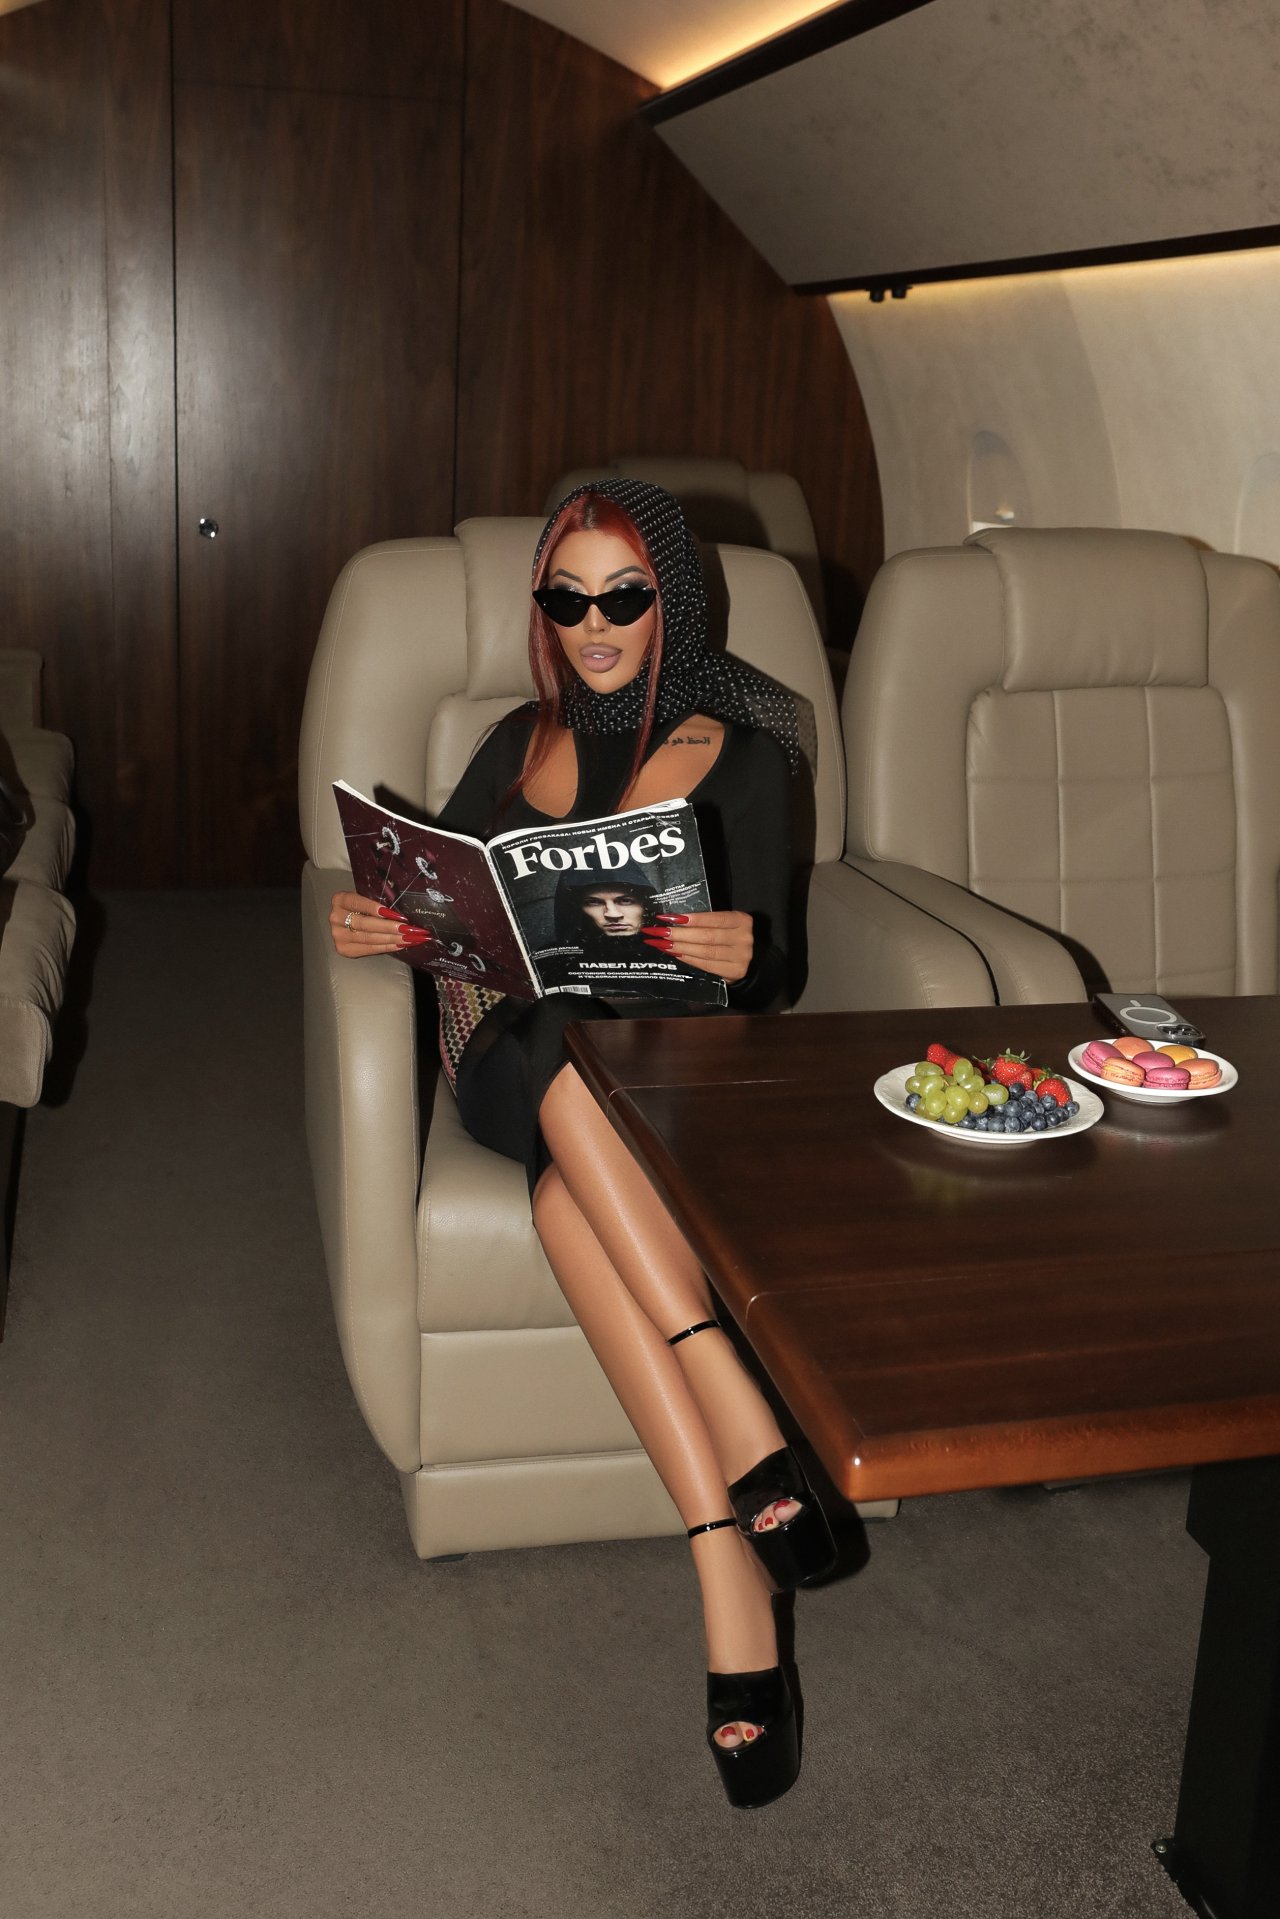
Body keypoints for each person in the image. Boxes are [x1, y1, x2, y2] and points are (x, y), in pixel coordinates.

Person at [329, 479, 835, 1808]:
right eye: (569, 598)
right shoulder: (512, 741)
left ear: (674, 601)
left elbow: (777, 967)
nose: (595, 624)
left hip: (669, 1079)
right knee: (553, 1027)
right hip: (510, 1056)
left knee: (567, 1205)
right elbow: (441, 897)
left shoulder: (748, 752)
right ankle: (740, 1407)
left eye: (624, 596)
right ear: (543, 610)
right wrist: (385, 921)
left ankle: (728, 1570)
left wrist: (739, 950)